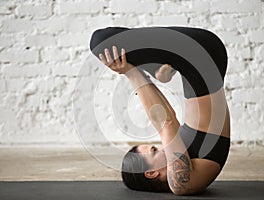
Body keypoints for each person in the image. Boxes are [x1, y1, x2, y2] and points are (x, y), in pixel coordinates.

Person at [90, 26, 231, 195]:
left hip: (201, 60)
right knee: (100, 42)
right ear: (151, 173)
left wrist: (134, 72)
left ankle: (155, 71)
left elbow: (168, 118)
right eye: (153, 151)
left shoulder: (180, 158)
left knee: (103, 42)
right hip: (200, 56)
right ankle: (155, 70)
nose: (161, 147)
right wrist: (130, 72)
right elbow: (167, 121)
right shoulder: (180, 184)